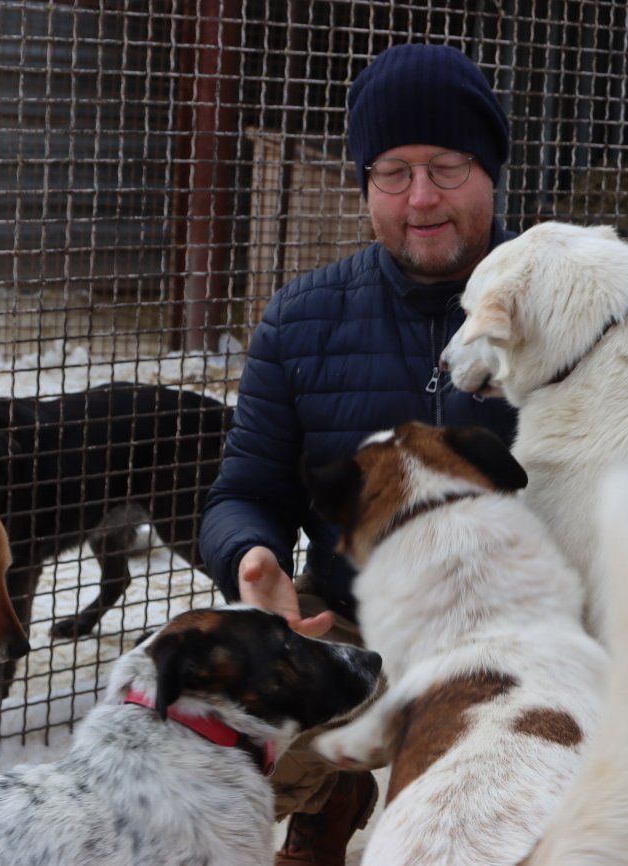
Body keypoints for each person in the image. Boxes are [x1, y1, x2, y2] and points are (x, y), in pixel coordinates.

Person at [199, 42, 519, 866]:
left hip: (525, 632)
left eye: (447, 167)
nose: (420, 199)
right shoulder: (303, 321)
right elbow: (245, 489)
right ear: (364, 183)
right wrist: (253, 556)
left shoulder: (571, 304)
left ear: (489, 169)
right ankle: (332, 795)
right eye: (392, 172)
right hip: (347, 620)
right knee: (194, 769)